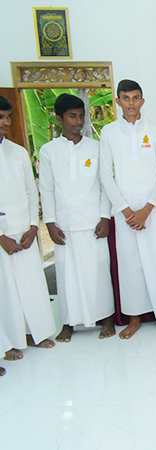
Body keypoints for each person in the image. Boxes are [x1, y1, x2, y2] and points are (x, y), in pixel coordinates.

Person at [99, 79, 156, 339]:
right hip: (124, 210)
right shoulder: (109, 132)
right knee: (129, 263)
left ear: (143, 101)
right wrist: (125, 210)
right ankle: (134, 318)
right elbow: (105, 175)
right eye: (126, 98)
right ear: (118, 101)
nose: (131, 103)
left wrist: (146, 209)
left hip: (153, 208)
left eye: (136, 98)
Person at [38, 93, 116, 343]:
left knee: (98, 271)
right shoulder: (49, 151)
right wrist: (49, 222)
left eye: (82, 116)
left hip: (93, 222)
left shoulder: (95, 147)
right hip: (64, 224)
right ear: (59, 118)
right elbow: (46, 189)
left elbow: (106, 185)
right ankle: (68, 323)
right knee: (66, 274)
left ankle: (106, 318)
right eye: (72, 116)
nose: (78, 121)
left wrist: (105, 216)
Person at [0, 95, 56, 361]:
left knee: (31, 285)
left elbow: (30, 191)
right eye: (1, 117)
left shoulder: (17, 151)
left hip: (24, 230)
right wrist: (0, 236)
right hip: (2, 235)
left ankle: (35, 332)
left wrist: (34, 225)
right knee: (5, 290)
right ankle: (8, 342)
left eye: (8, 117)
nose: (6, 122)